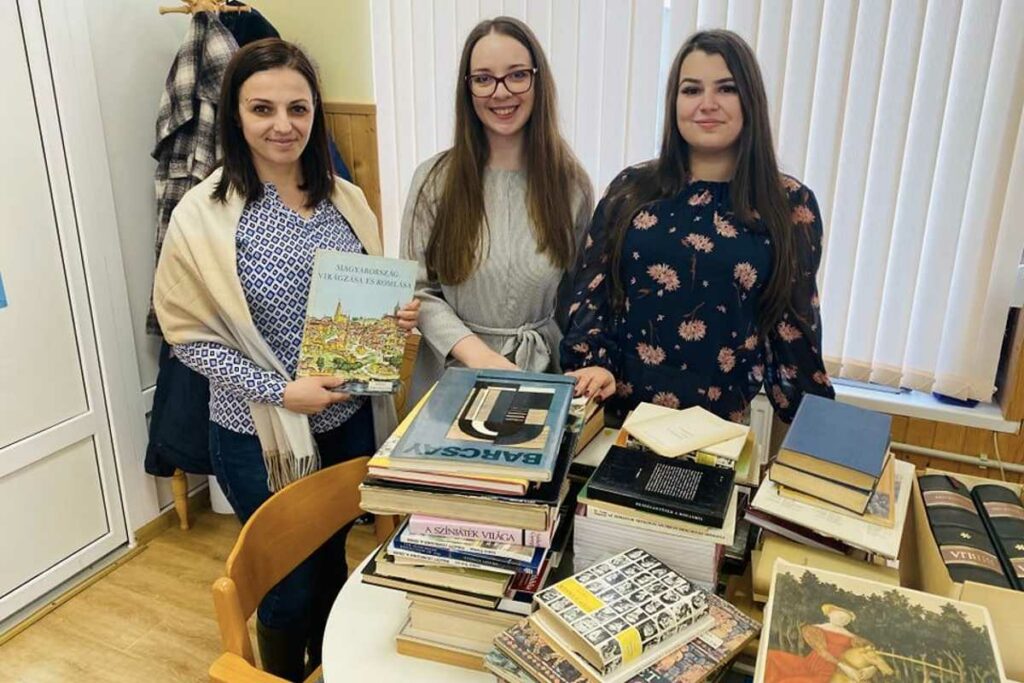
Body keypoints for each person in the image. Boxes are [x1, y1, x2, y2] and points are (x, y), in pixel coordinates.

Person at [153, 39, 419, 681]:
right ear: (235, 114)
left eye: (297, 108)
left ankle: (330, 669)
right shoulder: (204, 215)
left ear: (315, 112)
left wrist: (394, 319)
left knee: (332, 566)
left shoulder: (345, 199)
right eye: (262, 108)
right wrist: (280, 390)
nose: (283, 125)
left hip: (345, 422)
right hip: (258, 433)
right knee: (287, 584)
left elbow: (362, 294)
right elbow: (187, 335)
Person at [560, 29, 834, 424]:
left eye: (726, 89)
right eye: (691, 90)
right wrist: (591, 364)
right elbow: (592, 295)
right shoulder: (631, 189)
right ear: (674, 102)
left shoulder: (789, 205)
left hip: (715, 432)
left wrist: (823, 432)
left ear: (750, 99)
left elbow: (794, 332)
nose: (707, 104)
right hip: (616, 422)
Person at [401, 16, 592, 402]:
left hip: (539, 375)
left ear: (538, 81)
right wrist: (482, 358)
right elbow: (419, 289)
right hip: (451, 376)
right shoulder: (434, 179)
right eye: (484, 79)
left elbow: (576, 296)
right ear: (467, 88)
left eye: (517, 75)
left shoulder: (570, 185)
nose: (501, 92)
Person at [764, 604, 891, 682]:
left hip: (833, 672)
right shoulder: (814, 629)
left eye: (846, 617)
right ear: (829, 614)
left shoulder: (854, 638)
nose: (842, 618)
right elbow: (822, 652)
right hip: (811, 664)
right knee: (771, 656)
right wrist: (845, 667)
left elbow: (872, 655)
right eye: (839, 614)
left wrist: (872, 668)